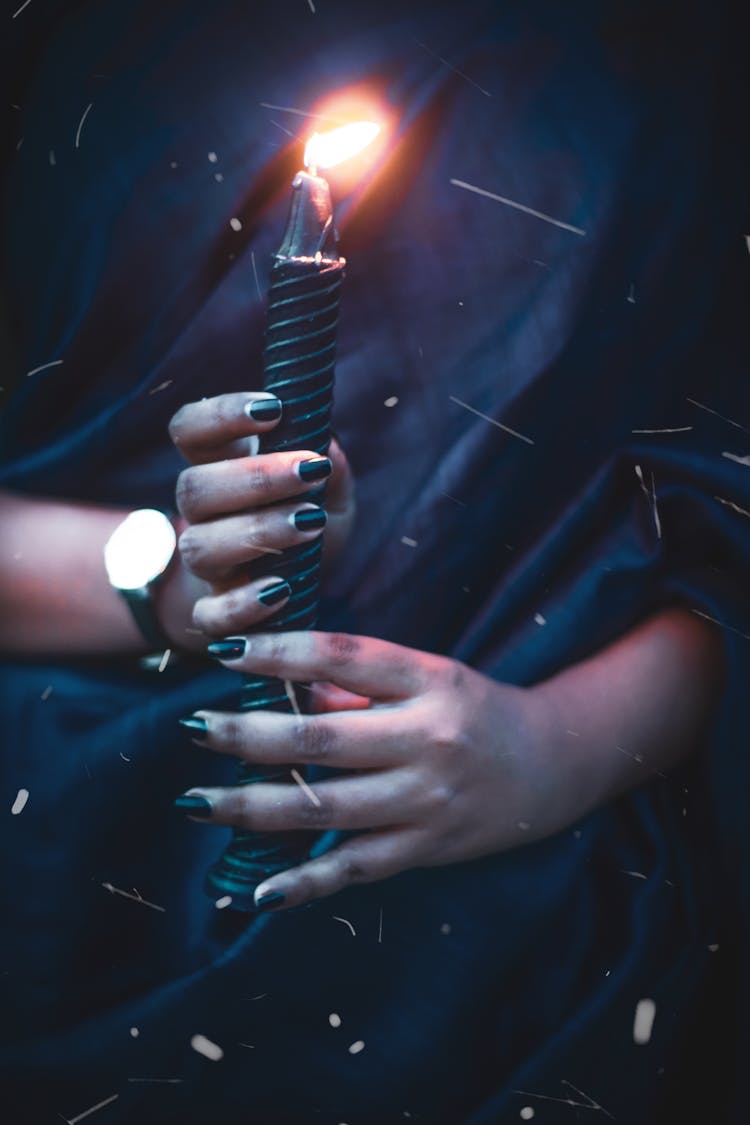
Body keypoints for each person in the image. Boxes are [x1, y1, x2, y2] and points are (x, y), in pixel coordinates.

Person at [1, 1, 748, 1121]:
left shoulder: (693, 59)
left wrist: (554, 752)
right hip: (57, 823)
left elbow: (726, 540)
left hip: (517, 875)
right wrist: (176, 582)